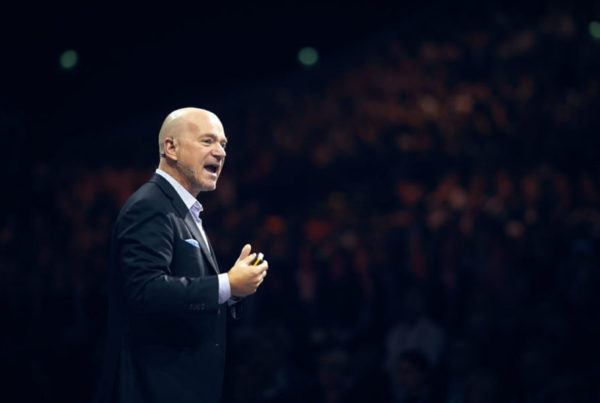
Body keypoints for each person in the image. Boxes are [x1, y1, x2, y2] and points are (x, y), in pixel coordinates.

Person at [93, 107, 269, 403]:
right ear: (171, 148)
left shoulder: (182, 210)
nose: (221, 152)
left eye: (223, 144)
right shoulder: (150, 206)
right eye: (207, 141)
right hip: (152, 389)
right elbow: (145, 290)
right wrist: (226, 284)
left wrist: (233, 290)